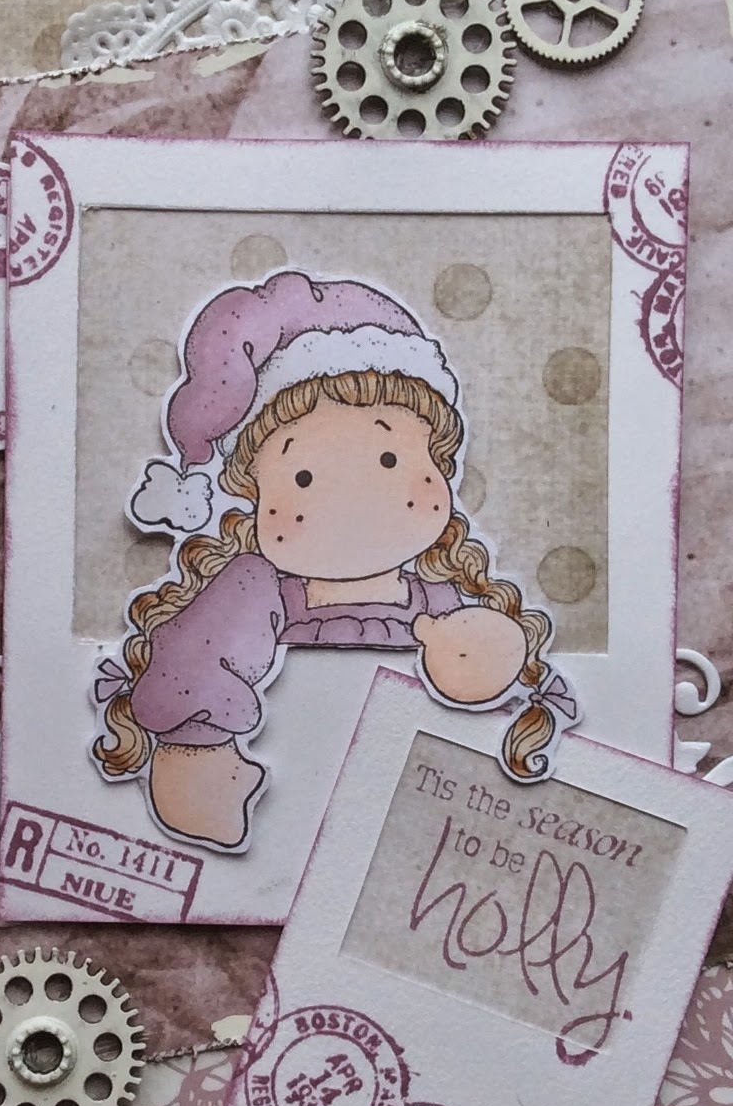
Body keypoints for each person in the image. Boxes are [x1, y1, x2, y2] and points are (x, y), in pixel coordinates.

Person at [92, 270, 577, 848]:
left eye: (390, 461)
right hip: (291, 814)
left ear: (438, 462)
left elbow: (482, 676)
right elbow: (196, 658)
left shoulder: (438, 595)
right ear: (255, 496)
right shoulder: (255, 590)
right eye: (302, 476)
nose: (355, 499)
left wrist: (484, 654)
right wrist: (198, 752)